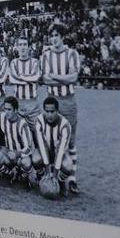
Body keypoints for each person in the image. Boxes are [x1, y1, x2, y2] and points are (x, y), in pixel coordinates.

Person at [40, 23, 81, 154]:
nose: (54, 39)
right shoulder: (46, 55)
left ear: (62, 36)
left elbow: (74, 78)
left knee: (70, 139)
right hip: (52, 101)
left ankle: (70, 172)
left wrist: (53, 76)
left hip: (69, 101)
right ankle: (53, 171)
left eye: (56, 35)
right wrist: (65, 79)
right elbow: (46, 80)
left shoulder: (72, 54)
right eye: (51, 36)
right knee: (51, 138)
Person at [34, 96, 77, 195]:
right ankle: (41, 178)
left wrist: (55, 174)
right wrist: (48, 171)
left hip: (58, 153)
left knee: (68, 165)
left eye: (52, 111)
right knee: (35, 159)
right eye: (47, 111)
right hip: (45, 151)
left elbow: (61, 151)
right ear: (44, 110)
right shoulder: (39, 121)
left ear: (57, 111)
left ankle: (60, 183)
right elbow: (42, 146)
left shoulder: (65, 125)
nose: (49, 115)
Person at [8, 36, 42, 121]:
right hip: (18, 103)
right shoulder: (14, 62)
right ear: (17, 47)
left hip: (32, 103)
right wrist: (29, 80)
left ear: (29, 47)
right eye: (20, 44)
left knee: (37, 132)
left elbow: (36, 77)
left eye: (25, 44)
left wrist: (21, 76)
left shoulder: (35, 62)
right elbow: (12, 79)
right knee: (18, 132)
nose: (22, 47)